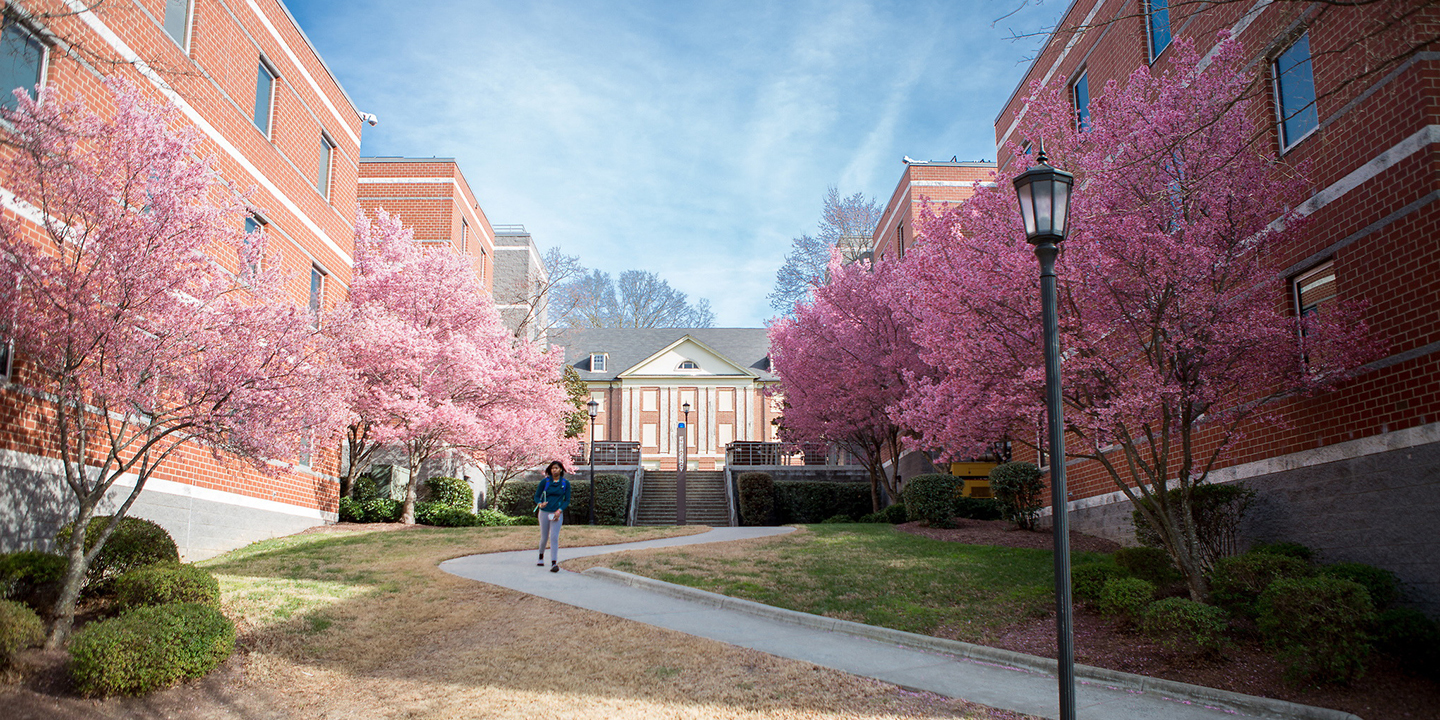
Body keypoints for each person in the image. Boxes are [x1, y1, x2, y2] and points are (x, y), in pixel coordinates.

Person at [534, 460, 571, 573]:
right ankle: (541, 556)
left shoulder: (565, 483)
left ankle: (554, 562)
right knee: (544, 537)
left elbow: (567, 500)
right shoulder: (545, 482)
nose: (554, 470)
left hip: (556, 514)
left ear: (561, 469)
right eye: (552, 468)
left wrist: (559, 510)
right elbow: (536, 496)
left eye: (556, 468)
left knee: (554, 537)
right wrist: (540, 503)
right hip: (544, 512)